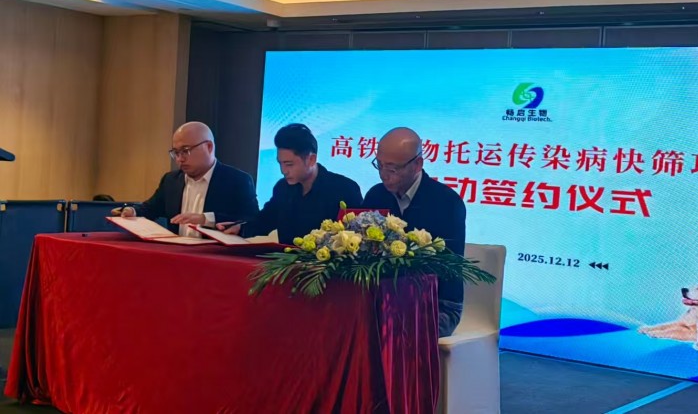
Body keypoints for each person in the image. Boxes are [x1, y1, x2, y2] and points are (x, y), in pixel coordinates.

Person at [362, 127, 467, 337]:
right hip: (383, 298)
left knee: (391, 331)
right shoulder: (376, 196)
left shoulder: (446, 202)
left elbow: (446, 269)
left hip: (437, 303)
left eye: (392, 169)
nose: (384, 175)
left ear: (417, 164)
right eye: (379, 165)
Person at [115, 122, 258, 236]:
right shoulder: (171, 180)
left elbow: (251, 221)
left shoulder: (237, 180)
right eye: (175, 153)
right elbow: (151, 208)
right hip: (178, 256)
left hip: (217, 258)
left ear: (209, 147)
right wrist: (133, 211)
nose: (179, 159)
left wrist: (206, 219)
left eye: (185, 151)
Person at [226, 124, 362, 244]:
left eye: (289, 164)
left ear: (311, 159)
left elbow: (356, 239)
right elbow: (264, 221)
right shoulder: (282, 188)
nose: (283, 171)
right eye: (280, 163)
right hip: (285, 263)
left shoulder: (345, 189)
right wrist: (239, 228)